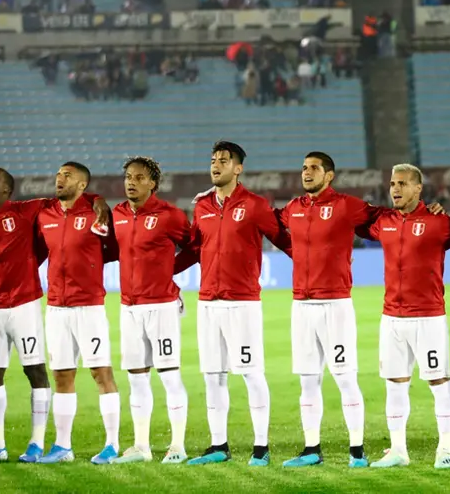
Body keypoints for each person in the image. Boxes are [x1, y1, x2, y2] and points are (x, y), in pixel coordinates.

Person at [0, 168, 107, 464]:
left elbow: (72, 198)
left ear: (8, 190)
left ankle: (36, 443)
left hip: (24, 305)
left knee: (36, 371)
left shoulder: (27, 211)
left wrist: (97, 199)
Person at [173, 141, 292, 467]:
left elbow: (284, 240)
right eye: (213, 160)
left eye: (223, 161)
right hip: (209, 302)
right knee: (213, 376)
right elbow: (195, 248)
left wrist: (315, 263)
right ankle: (218, 446)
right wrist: (163, 272)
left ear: (238, 168)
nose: (216, 165)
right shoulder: (202, 206)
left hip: (243, 304)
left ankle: (261, 448)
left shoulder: (255, 205)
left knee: (252, 374)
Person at [278, 151, 384, 469]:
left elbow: (386, 218)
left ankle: (357, 452)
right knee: (308, 381)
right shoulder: (293, 209)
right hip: (301, 305)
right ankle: (312, 449)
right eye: (304, 168)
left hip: (335, 304)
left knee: (344, 377)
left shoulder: (347, 206)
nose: (307, 172)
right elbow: (268, 222)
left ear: (329, 175)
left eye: (314, 168)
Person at [360, 164, 450, 469]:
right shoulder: (385, 222)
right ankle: (398, 450)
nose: (395, 188)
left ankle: (444, 449)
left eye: (402, 183)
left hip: (429, 317)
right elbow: (351, 222)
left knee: (439, 382)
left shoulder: (438, 222)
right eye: (393, 183)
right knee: (395, 384)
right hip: (392, 318)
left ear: (418, 188)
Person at [36, 162, 121, 464]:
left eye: (67, 176)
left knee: (101, 372)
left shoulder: (95, 213)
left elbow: (114, 249)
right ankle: (62, 447)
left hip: (89, 307)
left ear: (82, 185)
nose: (60, 179)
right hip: (56, 307)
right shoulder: (45, 214)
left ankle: (112, 444)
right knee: (62, 375)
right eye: (58, 174)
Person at [110, 157, 191, 465]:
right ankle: (141, 447)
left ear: (152, 183)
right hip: (129, 307)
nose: (131, 181)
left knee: (170, 377)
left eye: (139, 177)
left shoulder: (170, 215)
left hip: (161, 307)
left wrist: (170, 270)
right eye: (128, 176)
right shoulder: (116, 214)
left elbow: (194, 246)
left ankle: (178, 446)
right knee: (137, 379)